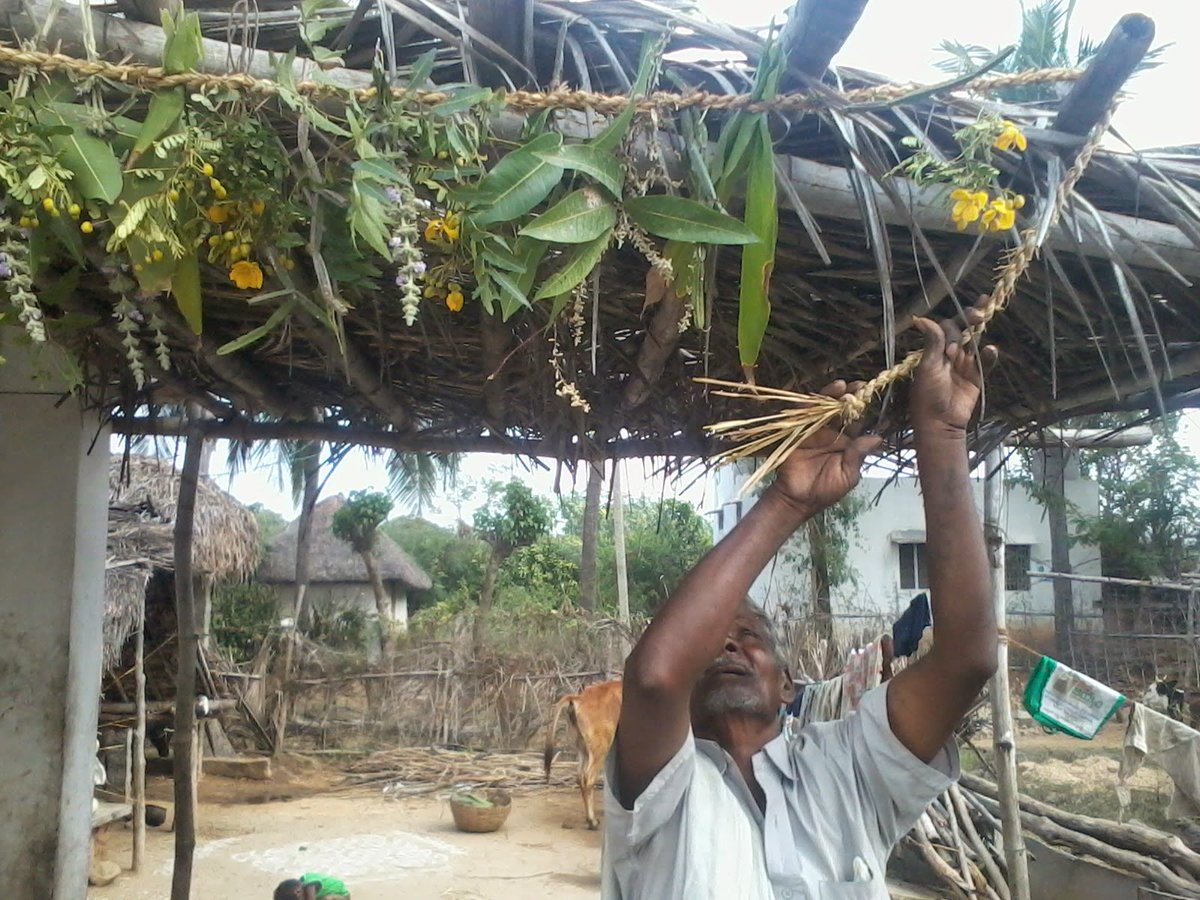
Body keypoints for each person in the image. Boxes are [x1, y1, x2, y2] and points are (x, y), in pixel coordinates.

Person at [603, 301, 1000, 899]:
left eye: (752, 636)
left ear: (788, 685)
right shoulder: (658, 783)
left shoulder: (851, 765)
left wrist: (942, 436)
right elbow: (657, 677)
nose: (730, 643)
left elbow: (967, 660)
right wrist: (786, 503)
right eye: (714, 637)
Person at [273, 873, 350, 900]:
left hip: (341, 895)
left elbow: (311, 886)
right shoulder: (302, 892)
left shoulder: (309, 883)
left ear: (298, 892)